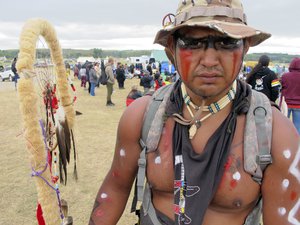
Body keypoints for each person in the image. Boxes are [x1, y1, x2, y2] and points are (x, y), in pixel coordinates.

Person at [90, 1, 299, 225]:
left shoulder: (274, 133)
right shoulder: (142, 116)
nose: (209, 61)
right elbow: (115, 189)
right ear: (172, 47)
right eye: (192, 43)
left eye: (227, 43)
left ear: (245, 47)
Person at [281, 57, 300, 134]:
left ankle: (285, 139)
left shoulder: (285, 76)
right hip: (299, 105)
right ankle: (295, 142)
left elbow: (281, 88)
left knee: (284, 124)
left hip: (286, 103)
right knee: (297, 126)